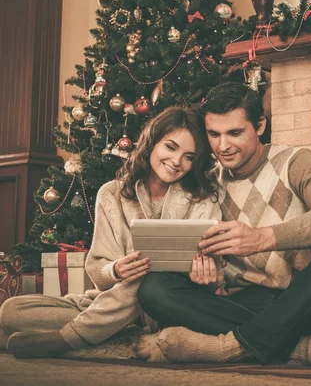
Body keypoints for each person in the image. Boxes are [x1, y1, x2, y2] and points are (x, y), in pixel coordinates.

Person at [137, 82, 311, 367]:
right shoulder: (207, 181)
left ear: (260, 126)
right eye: (214, 134)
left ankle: (228, 348)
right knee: (154, 288)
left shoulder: (294, 162)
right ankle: (301, 346)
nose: (223, 146)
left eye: (235, 133)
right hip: (242, 304)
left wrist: (265, 237)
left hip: (306, 299)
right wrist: (201, 274)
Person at [0, 107, 220, 358]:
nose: (177, 161)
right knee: (11, 310)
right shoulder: (111, 194)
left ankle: (70, 338)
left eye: (189, 156)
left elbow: (214, 273)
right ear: (151, 143)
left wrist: (207, 275)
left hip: (166, 306)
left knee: (147, 276)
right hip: (109, 304)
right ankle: (116, 333)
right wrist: (115, 270)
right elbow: (97, 269)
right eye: (170, 147)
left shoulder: (203, 200)